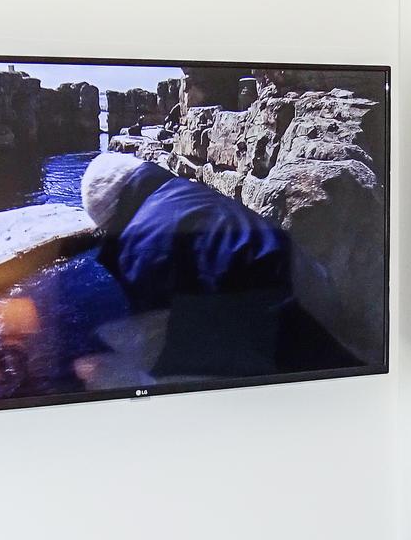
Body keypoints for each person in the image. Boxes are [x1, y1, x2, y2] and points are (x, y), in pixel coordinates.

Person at [76, 153, 308, 385]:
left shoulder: (142, 246)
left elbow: (168, 358)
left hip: (286, 360)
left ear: (109, 220)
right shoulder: (189, 193)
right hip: (313, 309)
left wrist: (109, 372)